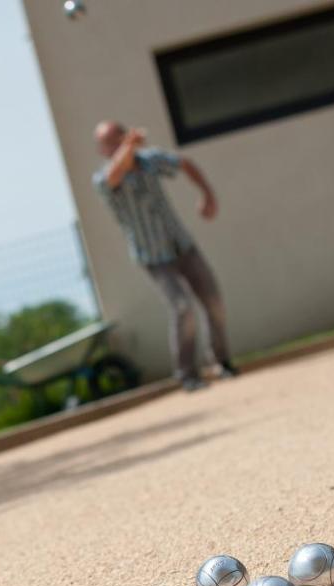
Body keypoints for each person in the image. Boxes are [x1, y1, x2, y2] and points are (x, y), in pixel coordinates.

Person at [92, 121, 237, 391]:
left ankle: (222, 362)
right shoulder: (103, 179)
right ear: (102, 150)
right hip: (153, 257)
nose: (115, 146)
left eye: (118, 139)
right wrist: (129, 146)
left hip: (181, 244)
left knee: (213, 301)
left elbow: (184, 164)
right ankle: (188, 375)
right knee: (182, 309)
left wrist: (207, 194)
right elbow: (115, 174)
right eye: (108, 143)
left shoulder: (149, 161)